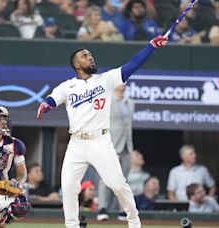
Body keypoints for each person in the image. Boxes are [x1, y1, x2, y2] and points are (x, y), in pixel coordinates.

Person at [36, 34, 168, 227]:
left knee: (117, 184)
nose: (90, 57)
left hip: (100, 141)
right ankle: (71, 225)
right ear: (77, 65)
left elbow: (132, 65)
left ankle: (134, 222)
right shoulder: (68, 86)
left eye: (90, 54)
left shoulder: (105, 80)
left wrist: (151, 47)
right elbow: (52, 99)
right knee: (69, 187)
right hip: (76, 143)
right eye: (85, 55)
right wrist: (45, 105)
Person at [97, 84, 135, 221]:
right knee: (105, 177)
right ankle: (103, 208)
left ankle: (123, 210)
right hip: (110, 144)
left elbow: (127, 125)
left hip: (126, 146)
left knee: (123, 179)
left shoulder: (130, 103)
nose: (123, 84)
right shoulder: (107, 100)